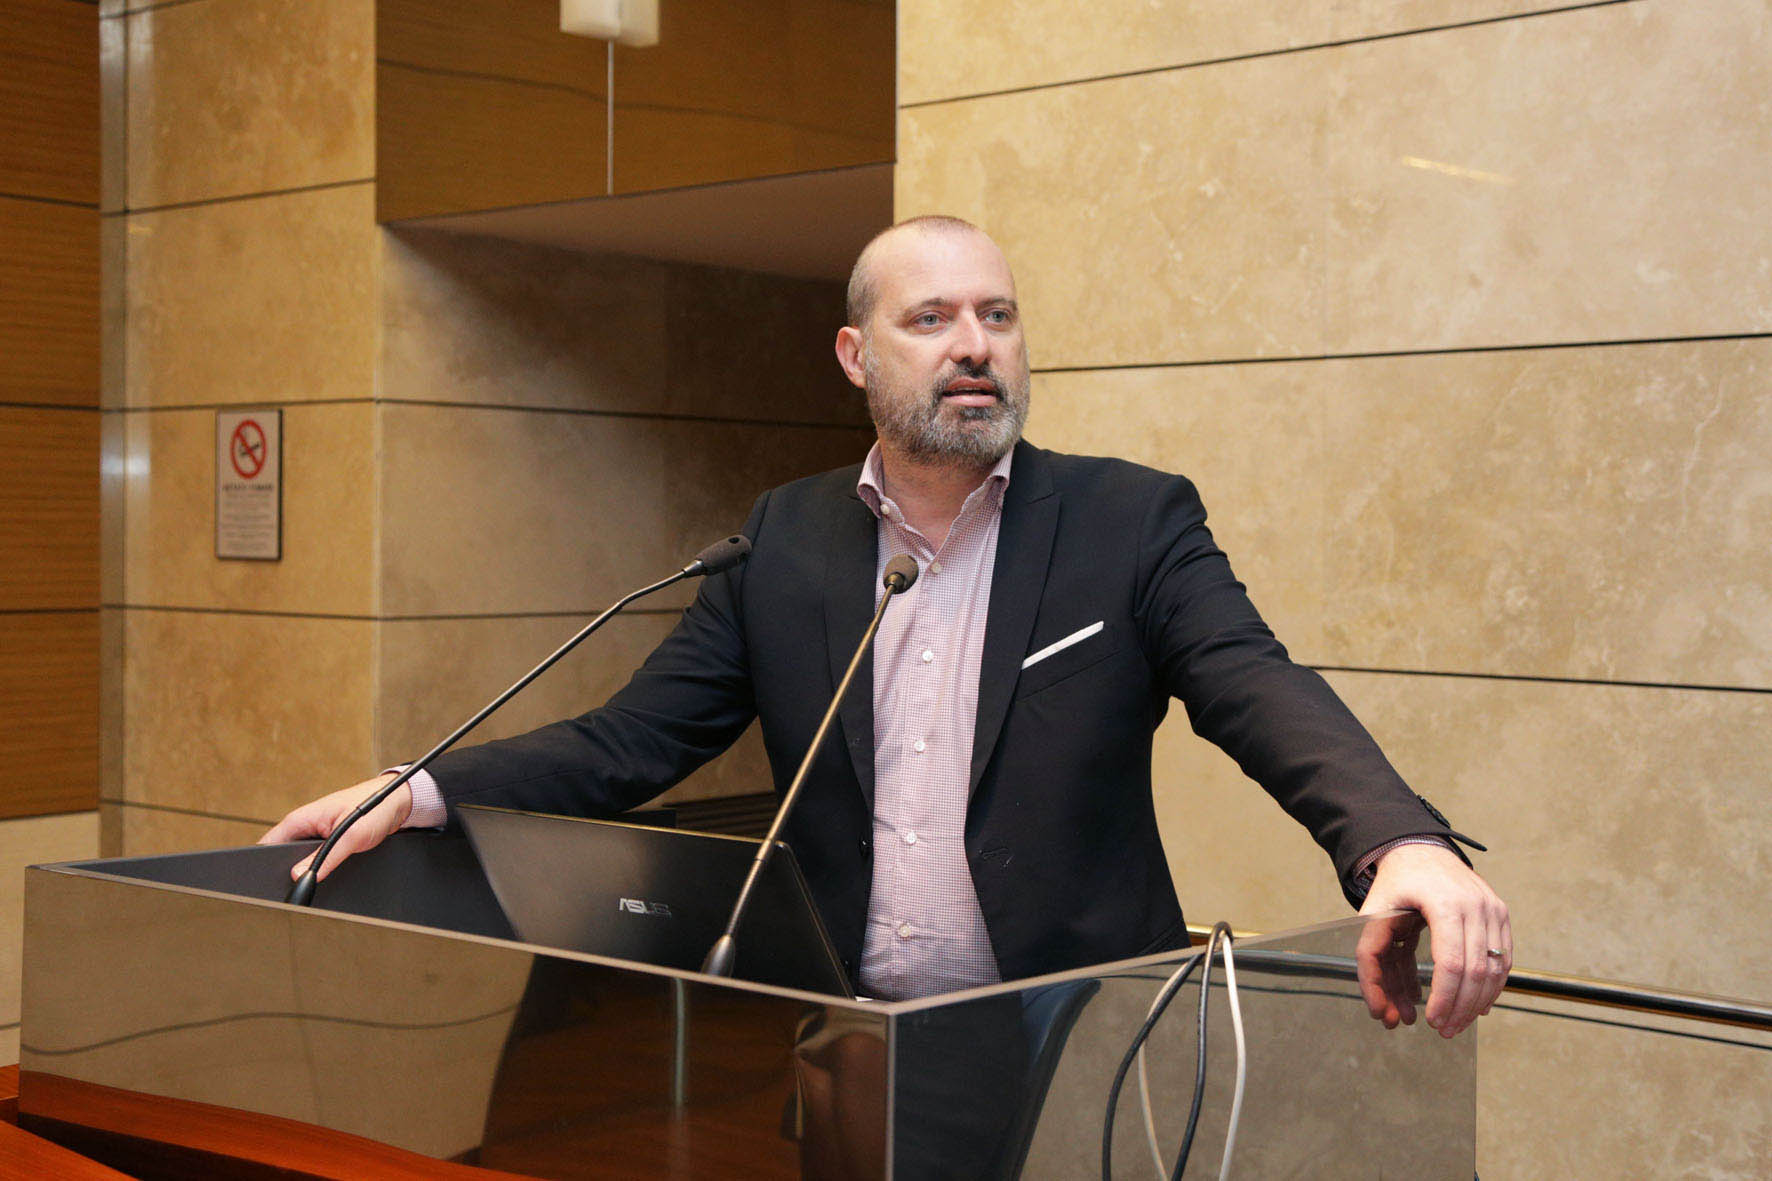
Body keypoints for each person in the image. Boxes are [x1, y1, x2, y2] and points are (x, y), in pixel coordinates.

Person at [263, 215, 1511, 1041]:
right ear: (856, 355)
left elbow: (1253, 681)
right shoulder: (783, 536)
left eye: (997, 316)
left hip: (1075, 1024)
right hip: (854, 1029)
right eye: (932, 320)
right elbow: (632, 739)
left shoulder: (1129, 521)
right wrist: (418, 787)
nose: (974, 347)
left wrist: (1395, 842)